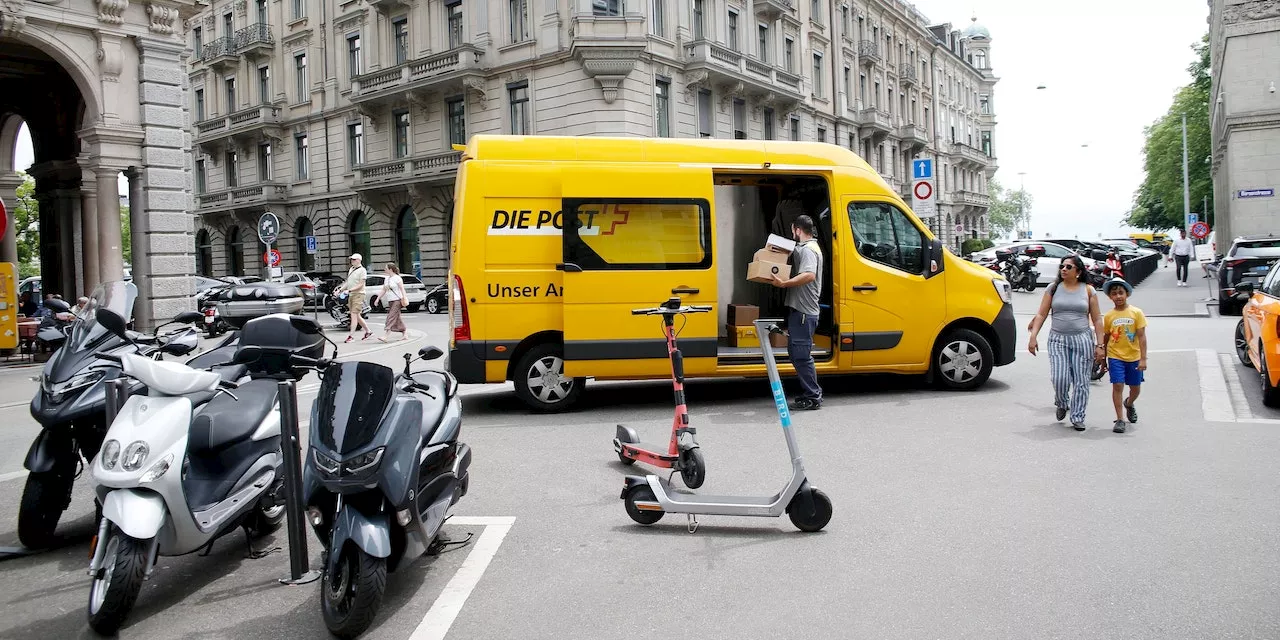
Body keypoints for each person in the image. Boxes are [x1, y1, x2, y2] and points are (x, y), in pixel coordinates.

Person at [1026, 254, 1106, 431]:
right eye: (1062, 266)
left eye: (1068, 267)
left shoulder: (1088, 290)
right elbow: (1041, 314)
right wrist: (1033, 337)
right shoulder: (1053, 288)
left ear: (1078, 271)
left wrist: (1100, 345)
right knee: (1059, 377)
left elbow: (1098, 319)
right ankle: (1062, 402)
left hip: (1082, 339)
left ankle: (1078, 416)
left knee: (1081, 380)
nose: (1063, 269)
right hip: (1057, 339)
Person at [769, 210, 824, 410]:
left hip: (804, 312)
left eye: (793, 229)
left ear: (797, 230)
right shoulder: (807, 247)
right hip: (800, 312)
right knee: (795, 353)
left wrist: (785, 283)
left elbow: (809, 274)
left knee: (801, 355)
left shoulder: (809, 249)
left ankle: (813, 396)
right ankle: (810, 393)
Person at [1102, 278, 1147, 434]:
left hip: (1133, 356)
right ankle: (1120, 419)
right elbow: (1106, 336)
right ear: (1110, 297)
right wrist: (1102, 355)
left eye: (1121, 293)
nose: (1118, 296)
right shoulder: (1108, 316)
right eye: (1114, 294)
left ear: (1127, 294)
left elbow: (1141, 337)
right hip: (1115, 356)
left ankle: (1129, 403)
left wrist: (1143, 358)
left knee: (1135, 388)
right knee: (1118, 385)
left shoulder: (1136, 313)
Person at [337, 253, 371, 343]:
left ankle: (351, 336)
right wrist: (340, 290)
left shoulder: (362, 270)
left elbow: (361, 284)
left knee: (353, 315)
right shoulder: (351, 269)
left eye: (354, 259)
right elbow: (348, 282)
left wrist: (349, 290)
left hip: (359, 294)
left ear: (359, 260)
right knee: (357, 315)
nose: (352, 261)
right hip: (352, 294)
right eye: (351, 259)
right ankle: (368, 331)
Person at [378, 263, 409, 342]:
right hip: (390, 301)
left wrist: (404, 298)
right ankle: (405, 333)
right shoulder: (387, 279)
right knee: (397, 318)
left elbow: (402, 289)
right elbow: (384, 290)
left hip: (397, 300)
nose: (384, 269)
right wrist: (377, 299)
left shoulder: (397, 278)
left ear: (390, 269)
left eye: (386, 268)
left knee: (391, 317)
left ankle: (386, 335)